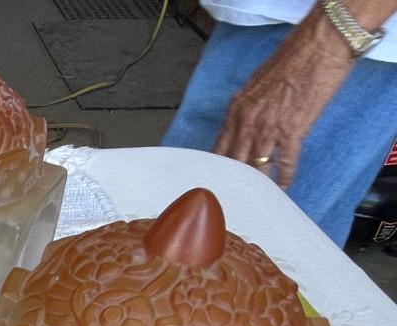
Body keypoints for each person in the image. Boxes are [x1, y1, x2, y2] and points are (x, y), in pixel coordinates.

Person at [163, 0, 397, 245]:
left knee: (205, 241)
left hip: (321, 38)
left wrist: (325, 48)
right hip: (322, 33)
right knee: (303, 243)